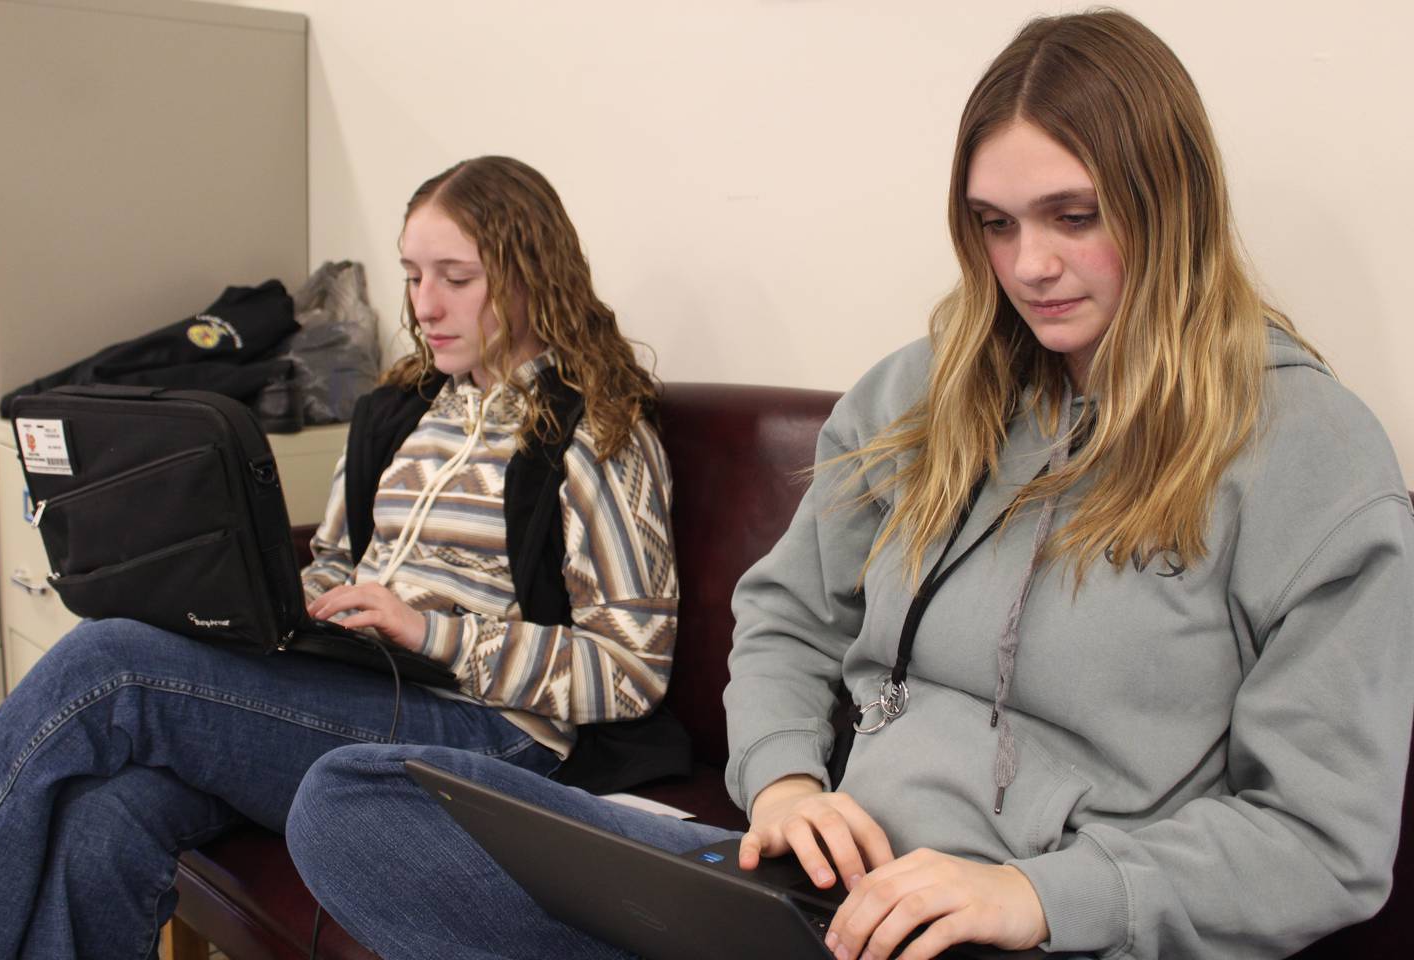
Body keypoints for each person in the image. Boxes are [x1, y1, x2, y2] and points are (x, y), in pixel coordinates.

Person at [284, 11, 1414, 960]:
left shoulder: (1309, 452)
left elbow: (1322, 842)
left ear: (1171, 205)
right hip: (821, 899)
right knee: (362, 799)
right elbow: (780, 620)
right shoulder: (924, 392)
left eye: (1074, 216)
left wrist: (1035, 898)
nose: (1028, 265)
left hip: (1044, 929)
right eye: (995, 224)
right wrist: (780, 785)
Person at [0, 156, 679, 959]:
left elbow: (633, 669)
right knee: (106, 820)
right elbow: (338, 561)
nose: (426, 304)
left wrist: (429, 632)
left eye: (457, 277)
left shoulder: (598, 436)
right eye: (414, 275)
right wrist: (276, 609)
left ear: (530, 276)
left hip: (485, 731)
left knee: (113, 664)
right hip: (350, 683)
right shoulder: (397, 410)